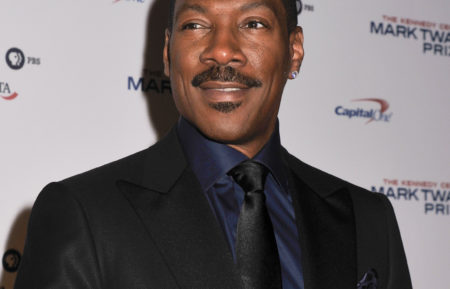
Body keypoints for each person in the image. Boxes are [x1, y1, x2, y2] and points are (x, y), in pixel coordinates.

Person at [15, 0, 412, 288]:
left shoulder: (368, 218)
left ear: (294, 51)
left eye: (253, 23)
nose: (222, 50)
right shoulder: (83, 215)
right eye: (196, 25)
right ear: (168, 53)